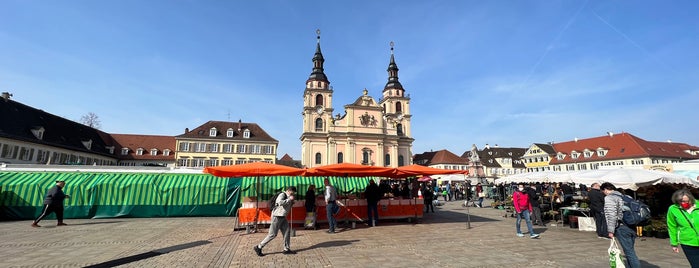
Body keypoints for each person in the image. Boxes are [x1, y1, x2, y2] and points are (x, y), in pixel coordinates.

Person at [602, 182, 640, 268]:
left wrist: (610, 231)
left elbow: (611, 215)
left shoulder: (610, 198)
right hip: (632, 226)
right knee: (630, 250)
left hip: (622, 227)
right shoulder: (626, 196)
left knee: (630, 253)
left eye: (603, 191)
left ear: (605, 190)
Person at [253, 186, 297, 256]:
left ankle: (286, 249)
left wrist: (292, 202)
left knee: (287, 232)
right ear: (289, 191)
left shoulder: (288, 196)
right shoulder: (282, 195)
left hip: (283, 217)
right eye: (293, 192)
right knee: (272, 234)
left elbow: (285, 206)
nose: (293, 194)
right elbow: (279, 202)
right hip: (277, 217)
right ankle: (259, 247)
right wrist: (289, 200)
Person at [667, 189, 699, 267]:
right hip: (688, 242)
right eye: (681, 201)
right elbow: (672, 226)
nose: (684, 203)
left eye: (686, 201)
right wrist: (674, 243)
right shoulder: (673, 209)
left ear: (691, 199)